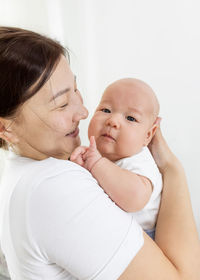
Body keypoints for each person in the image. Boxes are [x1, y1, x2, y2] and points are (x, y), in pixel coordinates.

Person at [0, 26, 199, 280]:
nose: (83, 112)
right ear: (5, 127)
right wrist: (172, 168)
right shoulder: (53, 187)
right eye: (61, 104)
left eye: (75, 89)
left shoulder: (25, 172)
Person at [71, 78, 162, 240]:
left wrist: (96, 164)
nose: (112, 121)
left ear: (148, 135)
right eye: (106, 110)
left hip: (143, 242)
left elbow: (134, 197)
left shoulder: (139, 161)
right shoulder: (93, 154)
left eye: (131, 118)